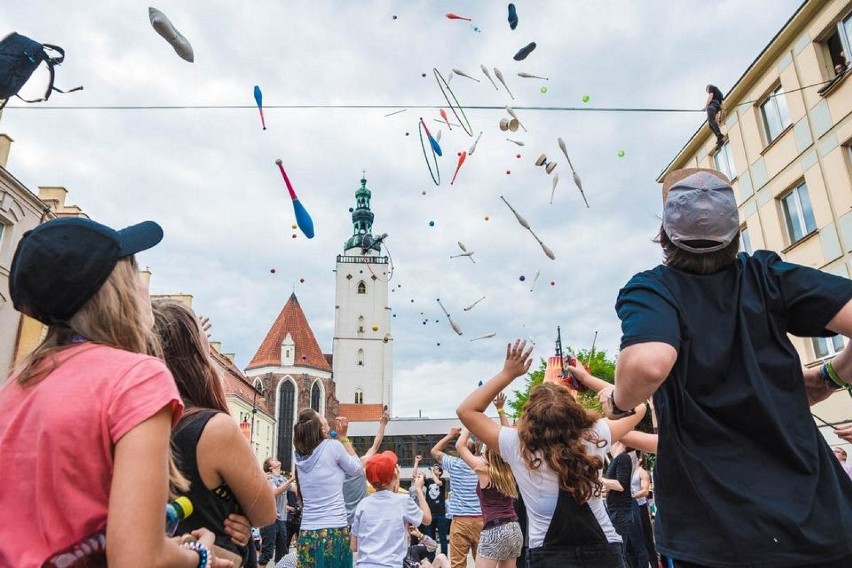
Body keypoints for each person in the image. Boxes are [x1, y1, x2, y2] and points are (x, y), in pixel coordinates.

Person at [602, 168, 852, 567]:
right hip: (817, 524)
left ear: (665, 235)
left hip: (716, 536)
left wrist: (617, 402)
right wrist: (830, 377)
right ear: (736, 233)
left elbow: (649, 365)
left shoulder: (655, 289)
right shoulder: (768, 276)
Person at [0, 217, 225, 567]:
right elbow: (136, 557)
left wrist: (163, 545)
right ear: (115, 288)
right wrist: (199, 557)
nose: (145, 288)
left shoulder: (21, 382)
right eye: (134, 272)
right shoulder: (137, 378)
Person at [457, 340, 647, 568]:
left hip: (549, 556)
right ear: (574, 411)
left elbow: (466, 410)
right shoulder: (594, 435)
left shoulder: (518, 444)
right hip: (603, 550)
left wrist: (508, 374)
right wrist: (586, 380)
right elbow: (639, 406)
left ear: (530, 416)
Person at [153, 298, 277, 567]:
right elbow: (266, 511)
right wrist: (241, 514)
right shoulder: (212, 429)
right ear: (197, 359)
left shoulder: (139, 425)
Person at [293, 409, 362, 567]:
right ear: (319, 428)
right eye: (323, 421)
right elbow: (357, 469)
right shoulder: (333, 447)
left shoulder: (299, 456)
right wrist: (344, 437)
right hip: (334, 530)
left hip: (307, 533)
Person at [455, 427, 522, 568]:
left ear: (488, 452)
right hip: (514, 527)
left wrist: (468, 425)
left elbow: (460, 446)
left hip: (494, 529)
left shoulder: (484, 470)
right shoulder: (508, 470)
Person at [350, 450, 431, 567]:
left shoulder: (363, 504)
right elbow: (427, 519)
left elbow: (354, 546)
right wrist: (418, 489)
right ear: (394, 476)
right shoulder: (403, 501)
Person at [431, 426, 483, 568]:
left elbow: (434, 451)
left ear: (459, 451)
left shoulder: (454, 464)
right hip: (481, 519)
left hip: (460, 520)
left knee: (457, 564)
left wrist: (450, 435)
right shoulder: (482, 465)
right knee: (483, 563)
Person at [343, 409, 390, 526]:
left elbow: (375, 446)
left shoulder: (337, 467)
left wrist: (382, 425)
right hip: (357, 519)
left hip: (346, 520)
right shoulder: (359, 464)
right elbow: (375, 446)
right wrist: (383, 424)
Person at [603, 442, 644, 568]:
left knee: (619, 552)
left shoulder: (623, 458)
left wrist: (599, 479)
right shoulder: (616, 460)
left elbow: (621, 485)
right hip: (615, 510)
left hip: (620, 511)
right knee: (620, 552)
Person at [257, 459, 293, 566]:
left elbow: (296, 489)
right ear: (270, 467)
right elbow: (274, 492)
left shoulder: (282, 479)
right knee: (267, 553)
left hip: (281, 520)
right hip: (269, 520)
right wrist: (291, 479)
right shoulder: (269, 478)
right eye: (273, 460)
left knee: (282, 555)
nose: (276, 460)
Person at [631, 453, 657, 568]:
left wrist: (630, 496)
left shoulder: (642, 472)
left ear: (640, 459)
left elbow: (645, 491)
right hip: (630, 508)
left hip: (641, 508)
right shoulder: (629, 472)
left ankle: (654, 564)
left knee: (646, 539)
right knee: (634, 541)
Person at [704, 84, 725, 150]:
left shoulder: (711, 87)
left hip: (712, 106)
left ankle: (719, 135)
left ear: (707, 88)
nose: (708, 92)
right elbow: (722, 105)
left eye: (707, 91)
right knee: (711, 125)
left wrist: (706, 106)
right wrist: (721, 116)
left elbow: (711, 95)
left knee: (710, 120)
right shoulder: (720, 94)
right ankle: (719, 139)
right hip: (716, 108)